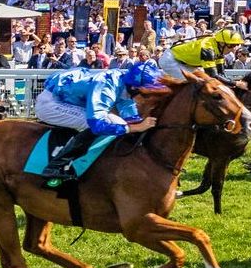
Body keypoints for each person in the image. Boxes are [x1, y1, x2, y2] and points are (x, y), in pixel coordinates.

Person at [35, 61, 167, 185]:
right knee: (96, 123)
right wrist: (134, 128)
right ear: (135, 88)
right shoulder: (106, 85)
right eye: (147, 95)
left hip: (68, 100)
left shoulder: (125, 85)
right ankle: (55, 167)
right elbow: (97, 124)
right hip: (51, 104)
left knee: (119, 123)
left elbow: (130, 117)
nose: (147, 99)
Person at [159, 26, 246, 81]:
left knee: (202, 81)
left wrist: (233, 83)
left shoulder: (219, 48)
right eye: (233, 45)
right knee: (195, 82)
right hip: (170, 60)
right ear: (222, 43)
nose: (235, 48)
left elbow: (221, 72)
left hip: (185, 63)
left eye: (236, 45)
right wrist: (235, 84)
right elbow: (213, 75)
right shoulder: (208, 49)